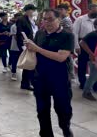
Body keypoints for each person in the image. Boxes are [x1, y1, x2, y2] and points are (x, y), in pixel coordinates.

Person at [24, 9, 74, 137]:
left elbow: (61, 57)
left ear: (59, 19)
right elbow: (36, 52)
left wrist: (37, 49)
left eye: (50, 19)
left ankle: (65, 128)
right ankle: (46, 133)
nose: (47, 22)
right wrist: (30, 47)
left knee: (63, 109)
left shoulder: (67, 35)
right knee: (42, 110)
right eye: (44, 19)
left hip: (60, 78)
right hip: (40, 77)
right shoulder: (40, 34)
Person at [73, 4, 97, 90]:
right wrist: (76, 46)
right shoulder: (80, 19)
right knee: (82, 64)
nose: (96, 13)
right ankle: (82, 83)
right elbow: (75, 33)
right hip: (84, 44)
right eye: (95, 11)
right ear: (89, 10)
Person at [80, 19, 97, 101]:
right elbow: (82, 42)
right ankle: (86, 92)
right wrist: (91, 53)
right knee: (93, 76)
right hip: (96, 59)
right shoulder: (93, 35)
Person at [16, 4, 38, 91]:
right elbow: (19, 33)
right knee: (28, 64)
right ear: (27, 10)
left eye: (33, 10)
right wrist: (23, 45)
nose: (33, 12)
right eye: (32, 10)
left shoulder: (32, 19)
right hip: (26, 45)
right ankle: (26, 83)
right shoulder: (21, 19)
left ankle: (29, 82)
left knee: (31, 64)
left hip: (33, 44)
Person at [9, 12, 23, 81]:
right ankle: (13, 73)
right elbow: (15, 37)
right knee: (14, 60)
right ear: (15, 18)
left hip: (22, 46)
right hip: (15, 47)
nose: (19, 19)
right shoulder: (14, 26)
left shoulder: (23, 25)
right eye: (18, 17)